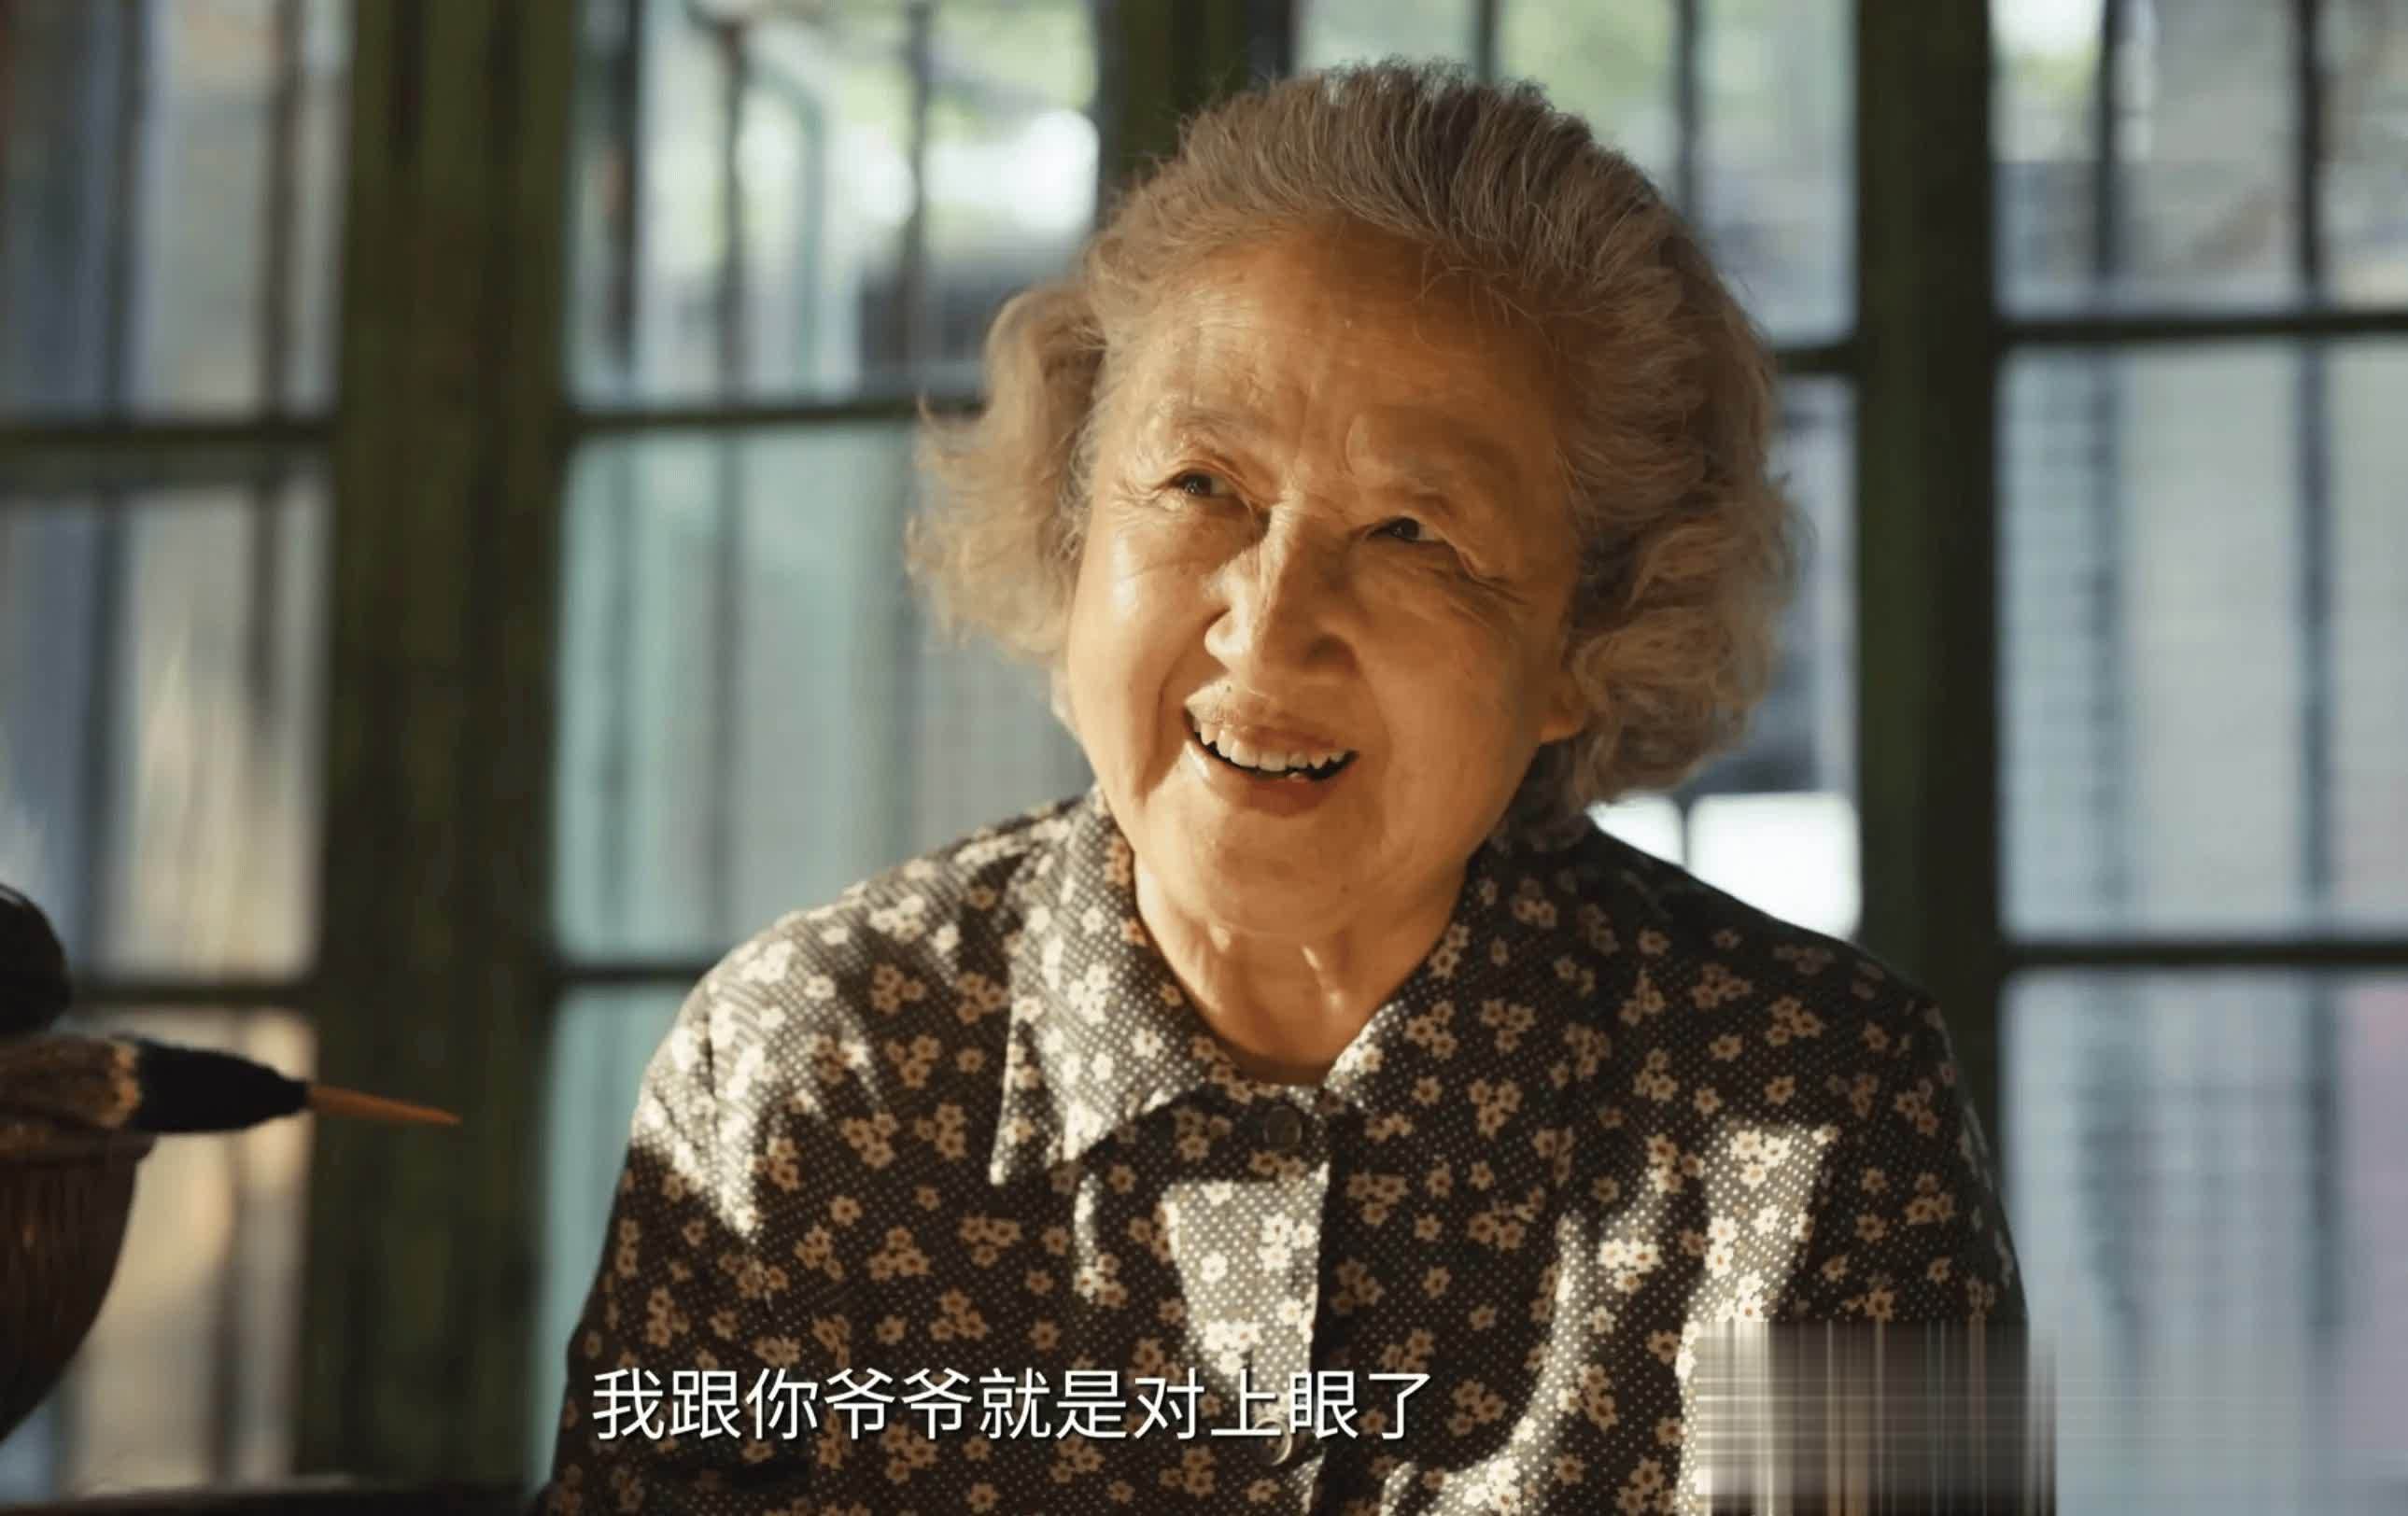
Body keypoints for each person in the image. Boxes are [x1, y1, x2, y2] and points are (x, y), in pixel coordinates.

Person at [537, 60, 2025, 1516]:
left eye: (1412, 534)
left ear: (1587, 640)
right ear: (1074, 531)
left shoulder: (1818, 1117)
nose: (1269, 622)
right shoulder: (806, 1079)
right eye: (1202, 487)